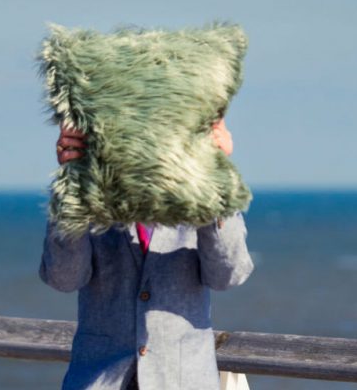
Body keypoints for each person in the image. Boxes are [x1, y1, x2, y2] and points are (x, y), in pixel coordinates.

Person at [40, 118, 253, 390]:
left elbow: (229, 275)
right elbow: (64, 279)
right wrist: (71, 183)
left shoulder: (200, 191)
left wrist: (217, 177)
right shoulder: (90, 191)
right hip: (100, 381)